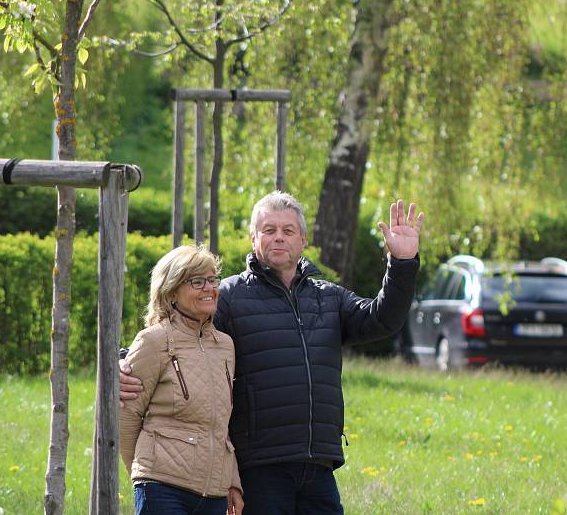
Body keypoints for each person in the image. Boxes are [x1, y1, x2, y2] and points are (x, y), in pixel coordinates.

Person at [121, 191, 424, 514]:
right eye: (269, 230)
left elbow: (382, 319)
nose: (279, 237)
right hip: (260, 466)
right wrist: (125, 359)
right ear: (253, 239)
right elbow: (174, 331)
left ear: (304, 240)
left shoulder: (329, 298)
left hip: (318, 463)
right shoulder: (229, 297)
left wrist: (402, 264)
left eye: (288, 230)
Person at [119, 244, 244, 515]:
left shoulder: (225, 345)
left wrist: (232, 480)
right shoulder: (152, 340)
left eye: (212, 280)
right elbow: (127, 416)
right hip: (163, 488)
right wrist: (143, 475)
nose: (209, 288)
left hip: (214, 493)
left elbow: (222, 422)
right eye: (197, 281)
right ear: (172, 291)